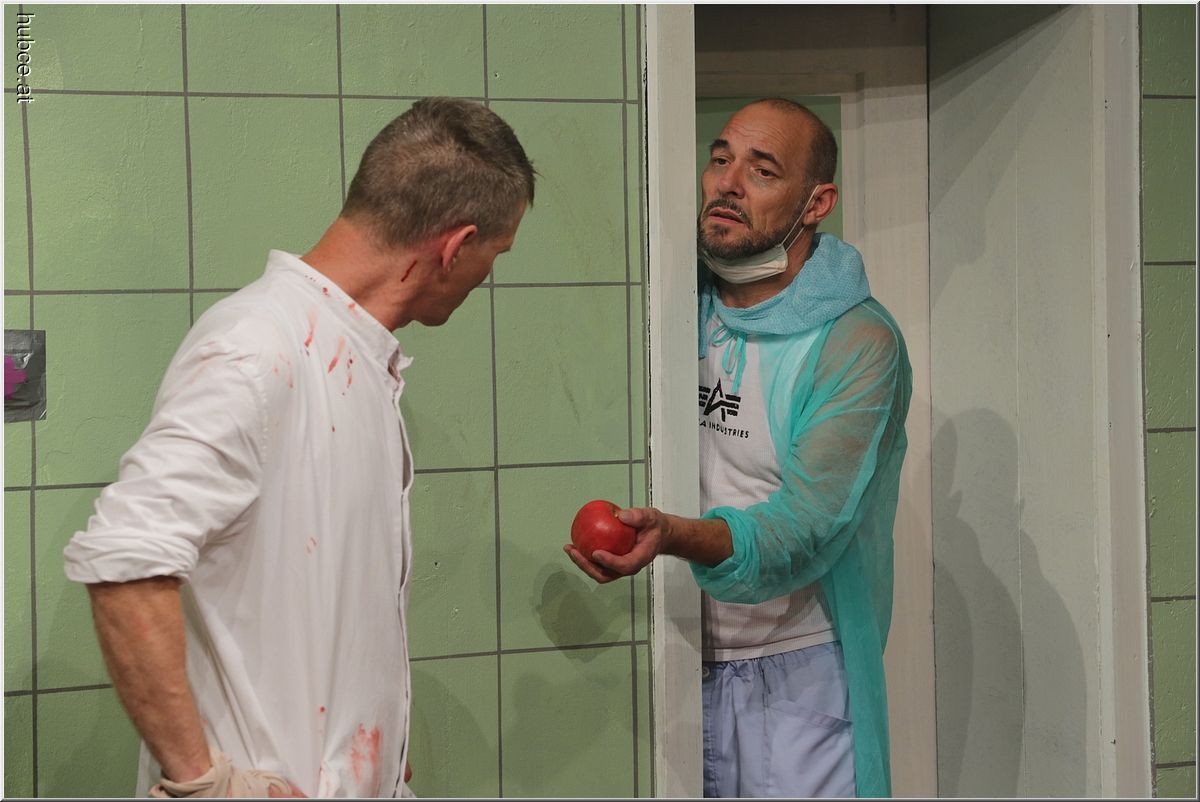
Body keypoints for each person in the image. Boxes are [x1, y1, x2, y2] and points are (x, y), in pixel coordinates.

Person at [63, 97, 535, 798]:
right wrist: (203, 785)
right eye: (495, 255)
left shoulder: (355, 353)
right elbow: (125, 561)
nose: (487, 275)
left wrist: (371, 734)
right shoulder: (256, 350)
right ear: (454, 246)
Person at [565, 98, 911, 798]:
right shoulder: (676, 307)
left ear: (818, 203)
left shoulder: (856, 342)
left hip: (797, 676)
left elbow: (805, 528)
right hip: (676, 656)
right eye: (720, 159)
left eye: (762, 170)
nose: (727, 183)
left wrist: (672, 536)